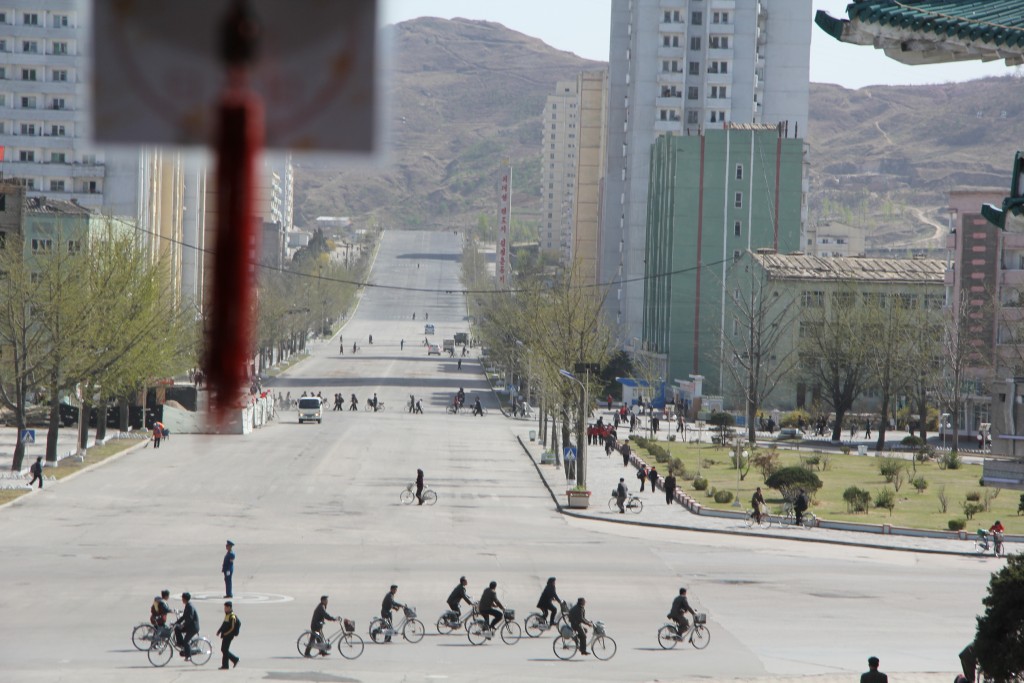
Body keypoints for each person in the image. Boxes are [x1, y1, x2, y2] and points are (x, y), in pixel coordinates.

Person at [174, 592, 199, 659]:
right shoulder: (187, 605)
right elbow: (183, 617)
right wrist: (176, 623)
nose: (182, 600)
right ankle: (181, 644)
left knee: (186, 641)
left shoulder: (190, 606)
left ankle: (188, 656)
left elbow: (190, 618)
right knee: (177, 628)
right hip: (189, 626)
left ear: (184, 599)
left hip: (193, 628)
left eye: (182, 598)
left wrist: (183, 625)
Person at [216, 600, 239, 669]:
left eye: (226, 607)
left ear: (229, 608)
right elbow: (224, 624)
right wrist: (219, 631)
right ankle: (228, 663)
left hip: (229, 636)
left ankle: (230, 662)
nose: (224, 609)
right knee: (224, 649)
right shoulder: (227, 615)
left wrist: (226, 633)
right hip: (225, 635)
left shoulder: (232, 616)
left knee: (224, 649)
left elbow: (232, 627)